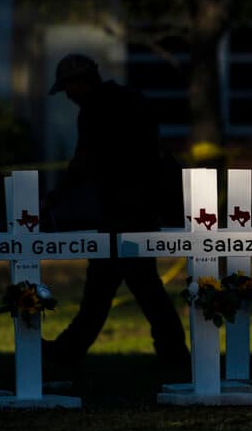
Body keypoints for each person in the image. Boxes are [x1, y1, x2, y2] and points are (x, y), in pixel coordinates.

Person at [41, 53, 190, 376]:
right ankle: (171, 351)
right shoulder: (132, 98)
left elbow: (84, 161)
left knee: (119, 286)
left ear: (80, 81)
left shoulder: (93, 110)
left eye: (68, 88)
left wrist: (54, 197)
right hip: (144, 208)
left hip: (120, 212)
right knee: (128, 284)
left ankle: (172, 351)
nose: (68, 96)